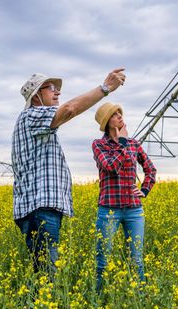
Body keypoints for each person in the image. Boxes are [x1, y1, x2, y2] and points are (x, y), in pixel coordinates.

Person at [12, 68, 126, 280]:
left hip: (41, 209)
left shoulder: (37, 125)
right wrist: (105, 88)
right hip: (40, 208)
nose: (57, 93)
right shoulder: (32, 116)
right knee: (47, 276)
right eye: (51, 88)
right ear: (36, 95)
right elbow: (70, 109)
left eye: (58, 89)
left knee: (43, 274)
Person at [92, 102, 157, 292]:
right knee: (103, 260)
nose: (120, 116)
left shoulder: (134, 144)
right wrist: (122, 142)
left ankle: (140, 299)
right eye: (114, 114)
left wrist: (144, 190)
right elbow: (110, 166)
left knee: (136, 260)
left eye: (120, 113)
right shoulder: (99, 145)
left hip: (134, 210)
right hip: (109, 209)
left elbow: (150, 169)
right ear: (107, 121)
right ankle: (99, 299)